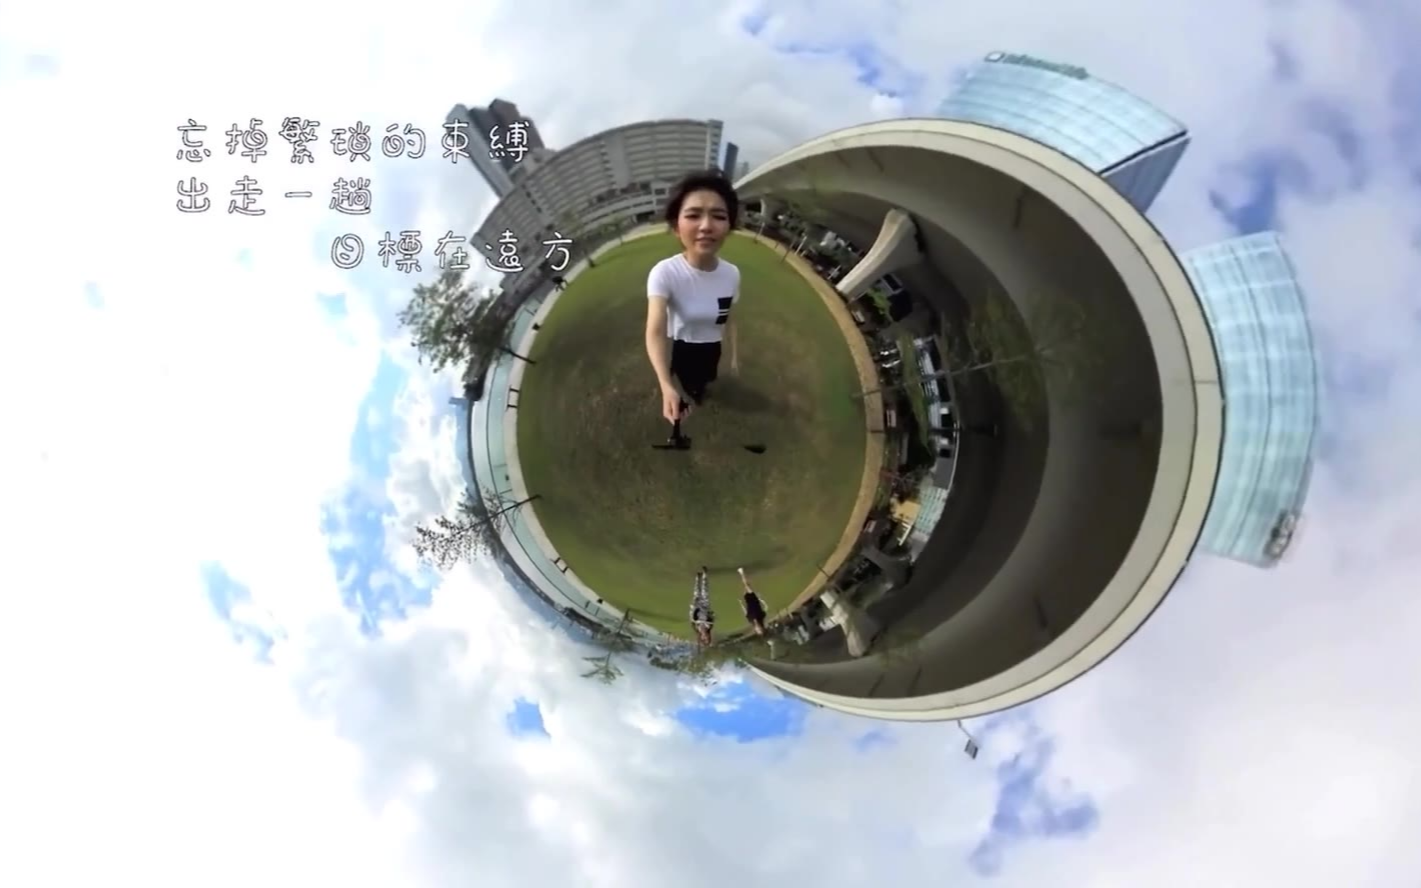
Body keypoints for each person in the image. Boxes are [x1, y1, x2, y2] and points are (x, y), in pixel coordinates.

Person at [644, 170, 742, 425]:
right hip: (685, 346)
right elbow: (655, 330)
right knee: (690, 383)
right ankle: (694, 394)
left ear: (729, 227)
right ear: (676, 226)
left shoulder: (732, 274)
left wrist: (733, 354)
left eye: (719, 216)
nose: (707, 226)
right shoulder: (665, 273)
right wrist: (665, 386)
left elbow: (729, 316)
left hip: (713, 346)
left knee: (708, 377)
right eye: (693, 215)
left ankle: (701, 391)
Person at [737, 567, 769, 636]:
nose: (758, 628)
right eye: (760, 629)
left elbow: (745, 612)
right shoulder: (761, 617)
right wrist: (761, 599)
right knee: (746, 585)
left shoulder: (750, 620)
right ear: (762, 627)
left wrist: (741, 603)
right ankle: (741, 572)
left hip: (747, 600)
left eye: (757, 630)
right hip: (754, 599)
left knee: (745, 585)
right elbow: (766, 607)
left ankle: (744, 574)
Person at [690, 566, 715, 646]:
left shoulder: (696, 628)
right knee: (704, 590)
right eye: (707, 638)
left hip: (696, 606)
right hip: (705, 605)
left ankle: (697, 578)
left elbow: (692, 618)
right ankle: (705, 574)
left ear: (700, 637)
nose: (704, 637)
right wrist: (711, 615)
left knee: (696, 591)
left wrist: (695, 609)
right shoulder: (709, 626)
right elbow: (712, 616)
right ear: (709, 636)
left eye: (703, 639)